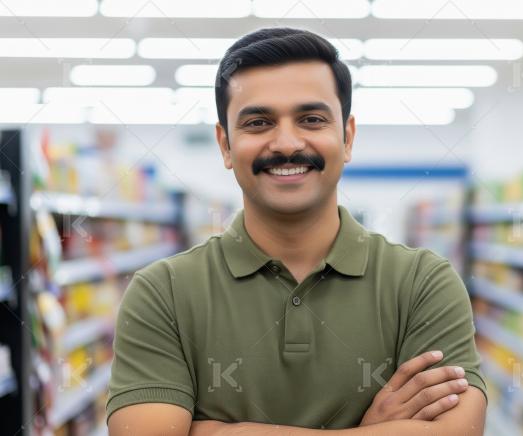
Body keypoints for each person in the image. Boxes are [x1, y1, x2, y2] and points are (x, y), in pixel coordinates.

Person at [106, 27, 487, 435]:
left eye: (311, 119)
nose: (286, 144)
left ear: (347, 137)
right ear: (225, 145)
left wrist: (214, 431)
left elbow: (459, 430)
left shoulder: (423, 283)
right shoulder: (162, 292)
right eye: (258, 122)